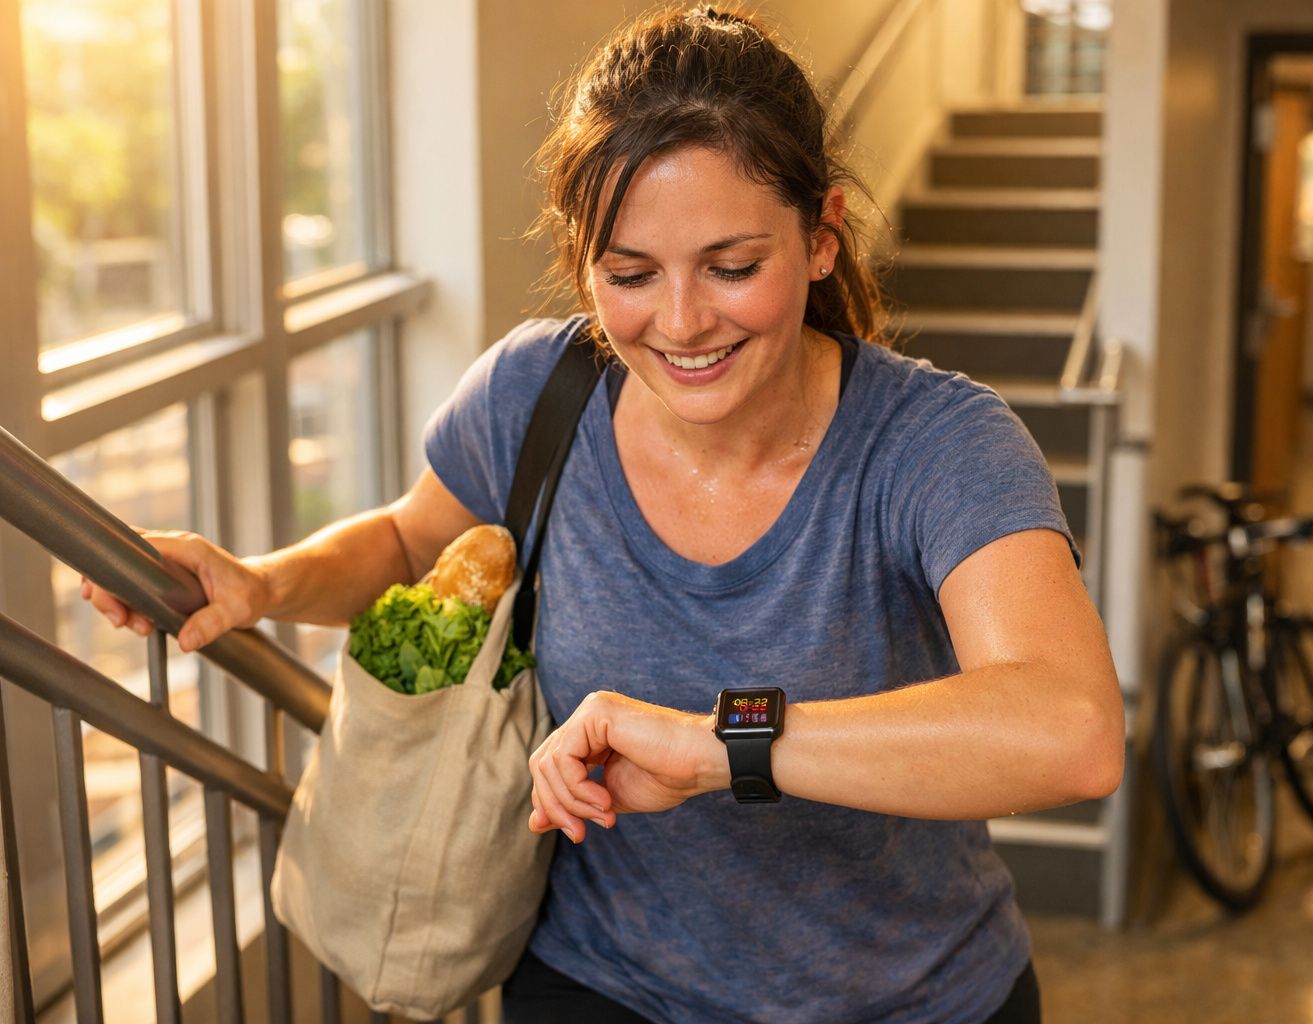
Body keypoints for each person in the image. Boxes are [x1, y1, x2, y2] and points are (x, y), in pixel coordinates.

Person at [83, 7, 1123, 1022]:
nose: (679, 323)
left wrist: (722, 743)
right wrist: (265, 581)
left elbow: (1070, 730)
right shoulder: (538, 391)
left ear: (821, 241)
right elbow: (411, 540)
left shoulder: (936, 445)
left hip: (909, 998)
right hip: (600, 982)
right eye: (629, 273)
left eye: (732, 266)